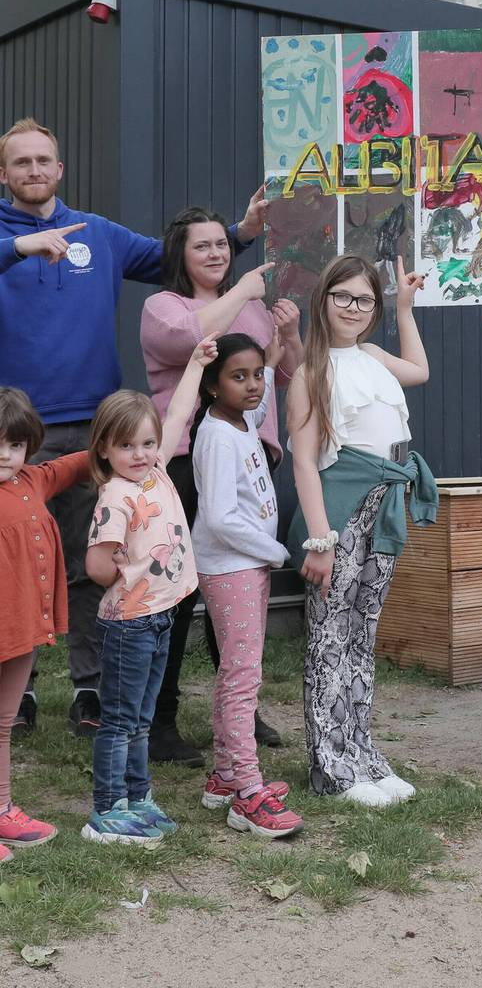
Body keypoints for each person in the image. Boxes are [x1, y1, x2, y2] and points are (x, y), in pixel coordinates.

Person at [0, 117, 266, 738]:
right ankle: (21, 688)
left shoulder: (98, 233)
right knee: (13, 560)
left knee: (99, 557)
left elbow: (172, 256)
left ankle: (89, 689)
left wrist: (240, 233)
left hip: (96, 428)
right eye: (22, 163)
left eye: (45, 161)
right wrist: (19, 248)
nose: (35, 171)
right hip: (13, 434)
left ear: (60, 169)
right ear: (5, 174)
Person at [140, 206, 301, 764]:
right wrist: (242, 296)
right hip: (187, 461)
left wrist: (289, 333)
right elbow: (187, 341)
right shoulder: (164, 307)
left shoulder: (254, 306)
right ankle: (160, 721)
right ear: (180, 256)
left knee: (236, 585)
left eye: (221, 244)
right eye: (202, 246)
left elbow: (278, 373)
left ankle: (240, 707)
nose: (216, 253)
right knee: (181, 594)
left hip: (253, 457)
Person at [286, 255, 437, 807]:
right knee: (329, 634)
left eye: (365, 299)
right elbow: (305, 463)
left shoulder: (373, 354)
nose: (354, 308)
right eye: (343, 296)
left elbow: (419, 372)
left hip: (386, 501)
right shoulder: (310, 373)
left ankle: (362, 753)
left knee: (362, 631)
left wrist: (403, 309)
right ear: (322, 299)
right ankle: (331, 766)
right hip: (341, 507)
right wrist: (320, 541)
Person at [81, 337, 215, 846]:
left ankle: (138, 799)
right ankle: (107, 811)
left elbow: (178, 411)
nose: (139, 454)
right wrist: (115, 568)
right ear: (105, 450)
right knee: (119, 720)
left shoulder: (156, 472)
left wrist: (197, 365)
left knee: (140, 716)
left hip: (161, 614)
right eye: (126, 446)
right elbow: (96, 564)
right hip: (131, 621)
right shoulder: (115, 496)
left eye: (146, 443)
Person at [190, 333, 303, 839]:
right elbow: (217, 516)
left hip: (245, 566)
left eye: (256, 375)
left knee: (237, 674)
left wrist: (275, 357)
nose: (253, 386)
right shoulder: (215, 436)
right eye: (239, 377)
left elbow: (259, 408)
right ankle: (247, 794)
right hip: (232, 568)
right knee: (242, 680)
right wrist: (274, 550)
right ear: (213, 386)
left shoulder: (241, 420)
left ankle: (224, 776)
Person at [0, 387, 91, 860]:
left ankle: (1, 809)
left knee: (2, 724)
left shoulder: (32, 480)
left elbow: (75, 465)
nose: (5, 454)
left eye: (15, 444)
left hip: (19, 630)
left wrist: (128, 442)